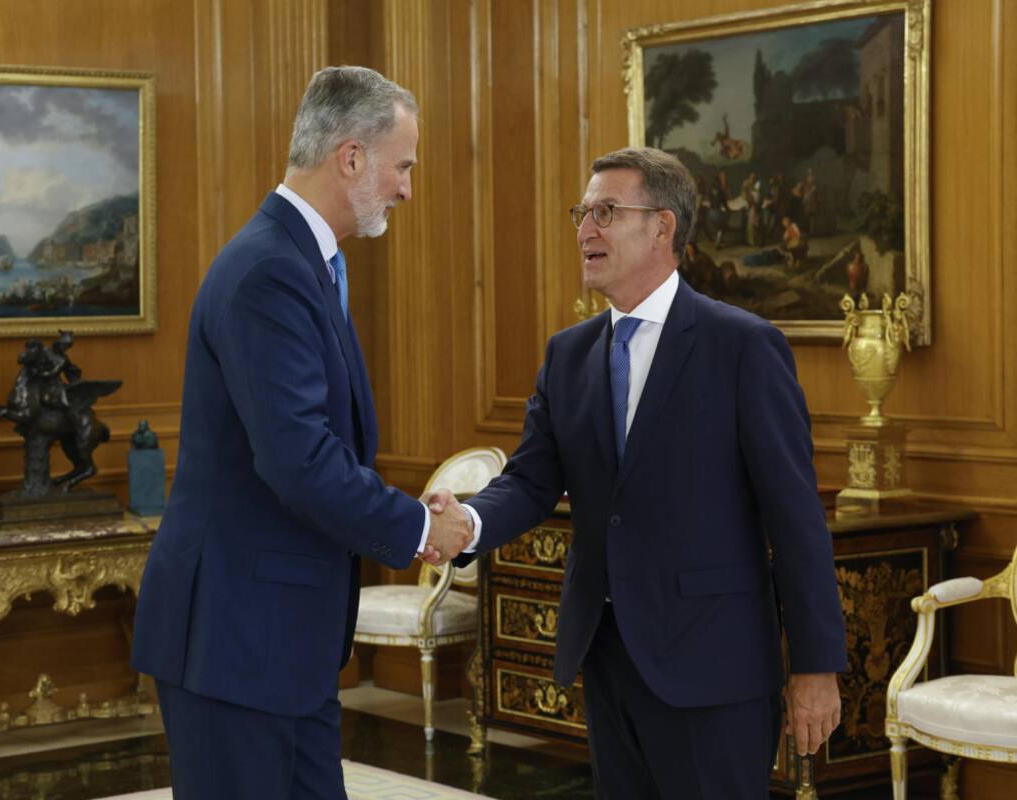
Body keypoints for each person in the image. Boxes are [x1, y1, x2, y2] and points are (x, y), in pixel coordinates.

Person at [425, 147, 846, 799]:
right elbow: (532, 479)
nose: (585, 230)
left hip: (715, 669)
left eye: (606, 212)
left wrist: (816, 667)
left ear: (662, 227)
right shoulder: (568, 355)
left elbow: (796, 519)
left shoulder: (742, 346)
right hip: (607, 657)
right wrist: (468, 522)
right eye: (582, 213)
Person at [131, 67, 473, 799]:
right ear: (350, 157)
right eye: (402, 166)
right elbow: (301, 462)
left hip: (283, 644)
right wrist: (419, 526)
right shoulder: (270, 271)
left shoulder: (303, 262)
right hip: (235, 640)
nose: (407, 189)